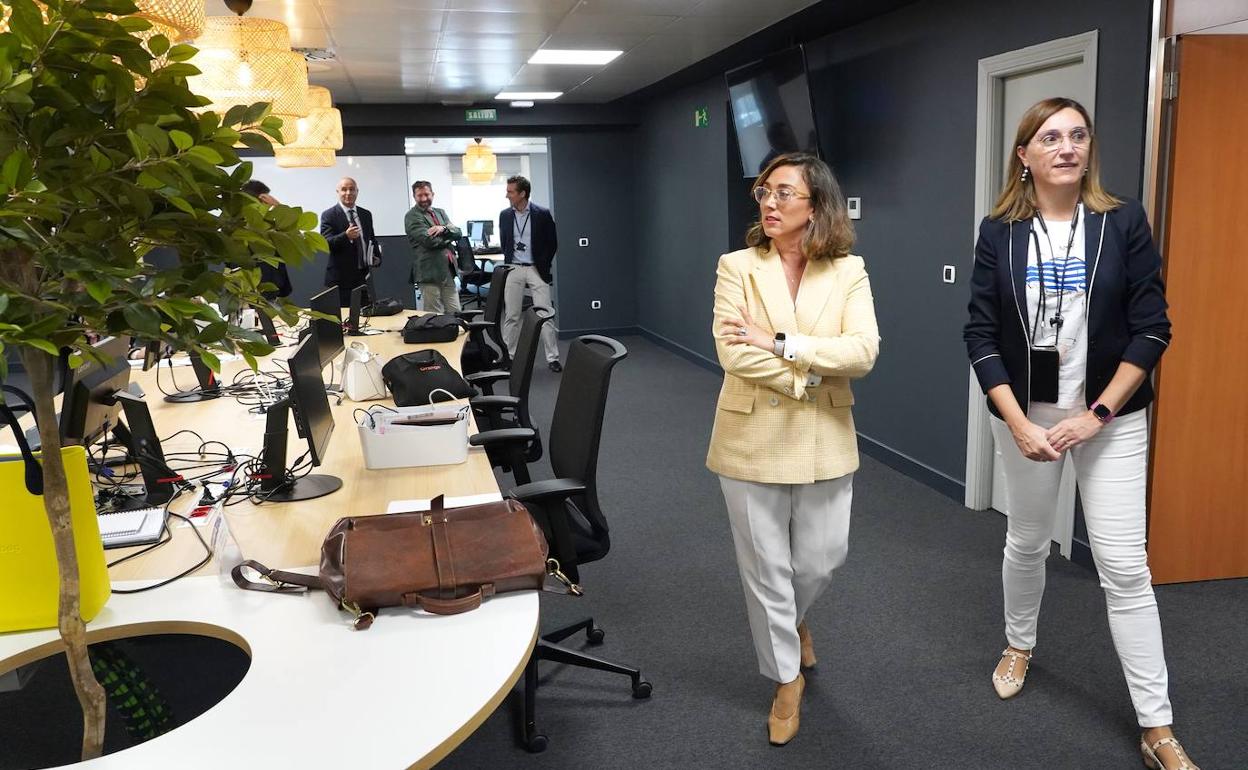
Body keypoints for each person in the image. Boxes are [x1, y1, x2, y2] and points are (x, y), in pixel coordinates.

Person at [963, 97, 1199, 770]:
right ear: (1024, 155)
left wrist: (1093, 415)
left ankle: (1158, 727)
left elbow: (1153, 326)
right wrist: (1016, 421)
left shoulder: (1122, 222)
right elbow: (979, 332)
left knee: (1125, 568)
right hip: (1027, 416)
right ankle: (1019, 643)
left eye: (1077, 135)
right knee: (1028, 540)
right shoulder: (1000, 231)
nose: (1066, 146)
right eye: (1050, 137)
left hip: (1109, 420)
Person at [707, 152, 879, 746]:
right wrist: (804, 371)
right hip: (749, 434)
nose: (769, 204)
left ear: (816, 205)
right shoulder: (737, 266)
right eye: (764, 192)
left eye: (784, 193)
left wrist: (777, 339)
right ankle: (785, 680)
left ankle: (796, 620)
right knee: (765, 568)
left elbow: (862, 353)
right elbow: (734, 351)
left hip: (825, 437)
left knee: (822, 559)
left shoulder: (848, 271)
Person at [499, 175, 561, 372]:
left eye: (511, 192)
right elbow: (504, 241)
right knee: (512, 315)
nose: (507, 195)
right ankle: (511, 356)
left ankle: (553, 358)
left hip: (536, 269)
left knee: (545, 314)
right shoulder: (505, 215)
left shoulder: (542, 214)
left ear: (522, 193)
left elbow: (552, 243)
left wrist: (542, 263)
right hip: (514, 268)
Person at [403, 180, 461, 314]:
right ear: (414, 197)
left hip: (448, 270)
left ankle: (454, 334)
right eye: (419, 195)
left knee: (456, 311)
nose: (424, 198)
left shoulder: (440, 212)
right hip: (429, 272)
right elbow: (429, 241)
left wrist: (443, 229)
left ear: (432, 194)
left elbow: (458, 233)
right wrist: (449, 237)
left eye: (426, 194)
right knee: (435, 315)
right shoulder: (412, 216)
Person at [320, 177, 380, 306]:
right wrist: (345, 236)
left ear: (357, 191)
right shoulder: (329, 215)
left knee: (366, 318)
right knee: (344, 321)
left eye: (352, 189)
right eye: (344, 189)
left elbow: (372, 239)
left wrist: (376, 257)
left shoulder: (365, 214)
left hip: (363, 277)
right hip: (340, 280)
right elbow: (326, 243)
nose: (348, 193)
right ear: (338, 192)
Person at [241, 180, 292, 299]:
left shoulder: (271, 223)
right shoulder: (242, 225)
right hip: (254, 287)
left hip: (274, 287)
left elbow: (292, 239)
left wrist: (279, 208)